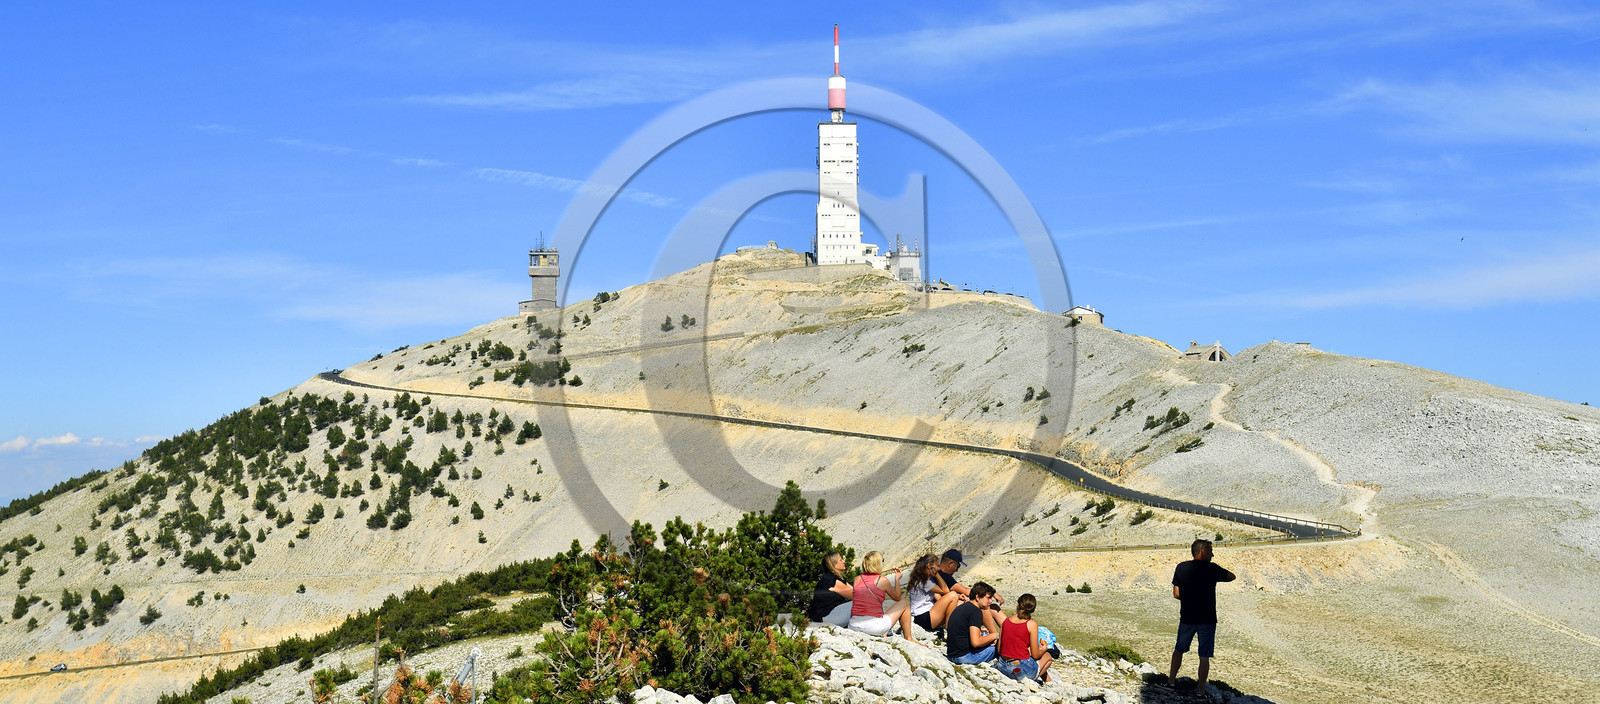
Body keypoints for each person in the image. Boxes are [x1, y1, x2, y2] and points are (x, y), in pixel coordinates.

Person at [1169, 539, 1237, 693]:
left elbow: (1176, 594)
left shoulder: (1181, 567)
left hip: (1187, 616)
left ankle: (1171, 681)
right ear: (1203, 551)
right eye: (1211, 551)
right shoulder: (1211, 569)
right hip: (1207, 618)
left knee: (1179, 650)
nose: (1212, 555)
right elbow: (1232, 576)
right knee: (1204, 655)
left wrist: (1189, 597)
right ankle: (1200, 690)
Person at [849, 551, 918, 643]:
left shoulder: (857, 579)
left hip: (853, 624)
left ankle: (884, 632)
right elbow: (897, 597)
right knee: (905, 603)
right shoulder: (882, 580)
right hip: (872, 627)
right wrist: (897, 578)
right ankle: (909, 638)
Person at [995, 593, 1053, 682]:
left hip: (1002, 665)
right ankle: (1034, 680)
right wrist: (1043, 649)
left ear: (1018, 604)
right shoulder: (1031, 624)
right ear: (1033, 609)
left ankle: (1049, 681)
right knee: (1048, 656)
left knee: (1028, 655)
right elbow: (1035, 655)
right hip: (1018, 669)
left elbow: (999, 649)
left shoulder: (1006, 621)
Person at [944, 581, 1004, 664]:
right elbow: (976, 642)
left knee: (987, 636)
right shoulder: (975, 612)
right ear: (978, 597)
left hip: (952, 654)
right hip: (964, 657)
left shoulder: (963, 607)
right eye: (988, 598)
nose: (990, 601)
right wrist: (994, 636)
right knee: (1001, 644)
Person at [906, 553, 964, 636]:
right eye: (937, 566)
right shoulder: (923, 581)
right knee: (953, 594)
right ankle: (950, 629)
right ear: (930, 566)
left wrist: (957, 598)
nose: (938, 568)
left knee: (959, 604)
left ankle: (958, 628)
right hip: (923, 617)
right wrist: (937, 574)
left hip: (928, 615)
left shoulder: (927, 580)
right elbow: (946, 590)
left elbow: (940, 598)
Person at [807, 551, 853, 627]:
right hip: (826, 617)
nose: (844, 561)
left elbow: (853, 589)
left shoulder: (836, 577)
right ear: (834, 564)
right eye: (840, 560)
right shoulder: (832, 581)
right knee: (863, 602)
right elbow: (855, 595)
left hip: (828, 615)